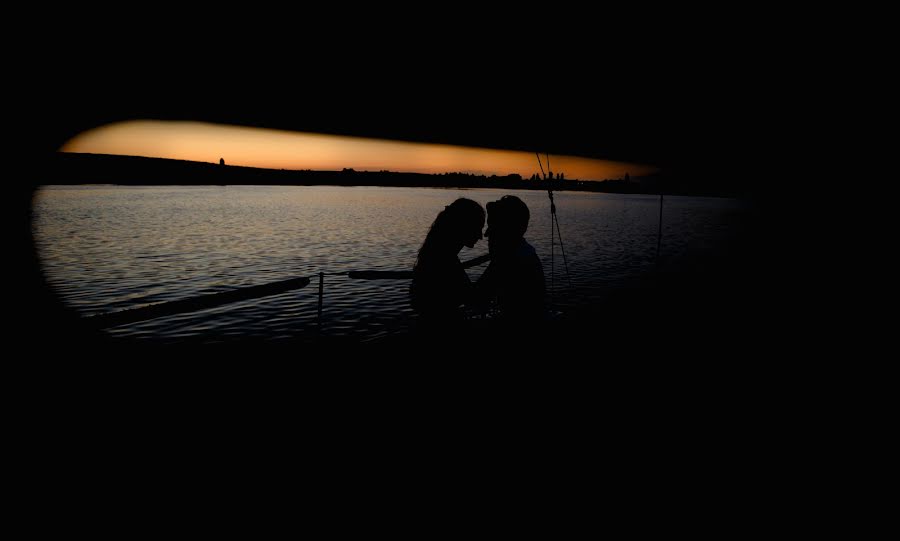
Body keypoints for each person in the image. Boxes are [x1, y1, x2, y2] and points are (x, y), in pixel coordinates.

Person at [410, 198, 485, 329]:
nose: (480, 236)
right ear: (463, 226)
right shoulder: (444, 260)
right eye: (478, 227)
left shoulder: (438, 253)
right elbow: (472, 298)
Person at [475, 195, 546, 325]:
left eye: (493, 234)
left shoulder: (508, 262)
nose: (488, 240)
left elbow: (476, 299)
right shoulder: (524, 253)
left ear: (507, 232)